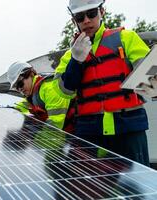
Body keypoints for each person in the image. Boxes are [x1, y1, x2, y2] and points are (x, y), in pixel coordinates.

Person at [54, 0, 150, 166]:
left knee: (138, 187)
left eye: (91, 13)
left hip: (129, 130)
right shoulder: (69, 56)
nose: (86, 20)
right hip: (90, 134)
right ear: (74, 21)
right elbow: (63, 91)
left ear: (102, 11)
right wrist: (75, 61)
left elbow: (151, 76)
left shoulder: (127, 38)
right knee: (93, 189)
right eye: (80, 17)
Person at [7, 61, 73, 132]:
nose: (20, 89)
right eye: (16, 87)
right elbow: (25, 104)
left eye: (20, 84)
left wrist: (37, 140)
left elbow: (55, 123)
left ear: (31, 74)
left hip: (76, 135)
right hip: (66, 135)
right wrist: (11, 111)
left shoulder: (49, 88)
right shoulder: (33, 93)